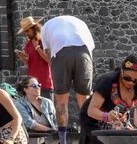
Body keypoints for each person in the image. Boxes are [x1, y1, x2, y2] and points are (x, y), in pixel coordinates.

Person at [39, 15, 95, 144]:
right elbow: (91, 46)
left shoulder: (46, 27)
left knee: (62, 100)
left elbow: (49, 55)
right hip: (84, 52)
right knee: (84, 100)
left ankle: (63, 140)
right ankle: (87, 138)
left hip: (60, 52)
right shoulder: (80, 22)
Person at [79, 54, 137, 144]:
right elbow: (91, 110)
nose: (131, 82)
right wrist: (107, 116)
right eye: (127, 78)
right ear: (122, 71)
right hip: (94, 121)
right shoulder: (108, 81)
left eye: (136, 80)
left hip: (119, 123)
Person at [16, 17, 54, 99]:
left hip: (45, 83)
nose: (26, 34)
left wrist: (37, 47)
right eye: (25, 31)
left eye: (27, 30)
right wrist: (23, 58)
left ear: (34, 29)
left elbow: (49, 60)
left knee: (47, 111)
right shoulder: (28, 44)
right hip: (31, 85)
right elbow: (28, 65)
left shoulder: (44, 41)